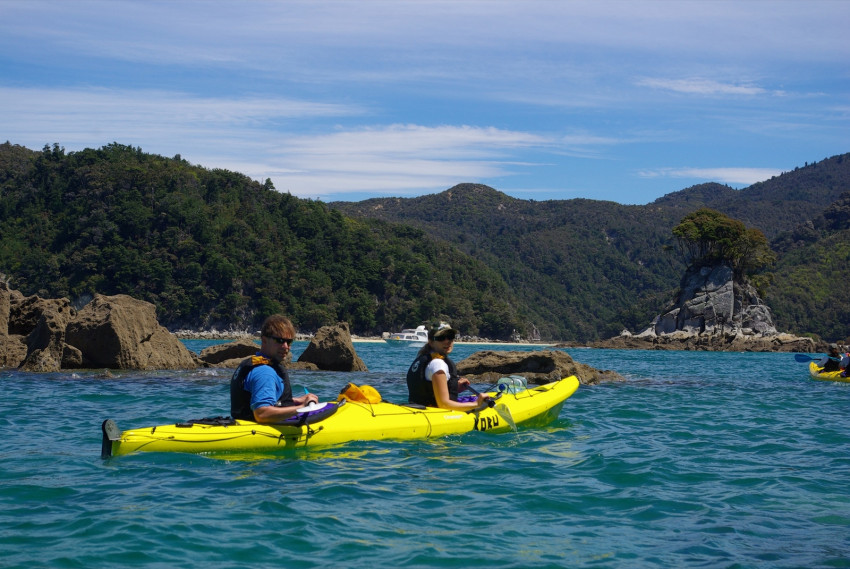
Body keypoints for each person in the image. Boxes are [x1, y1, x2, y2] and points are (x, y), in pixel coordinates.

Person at [230, 315, 318, 423]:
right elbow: (261, 414)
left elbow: (260, 398)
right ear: (264, 340)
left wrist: (296, 401)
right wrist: (303, 407)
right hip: (257, 434)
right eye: (280, 340)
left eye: (289, 342)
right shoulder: (265, 372)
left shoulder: (254, 364)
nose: (286, 346)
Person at [406, 322, 490, 410]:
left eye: (450, 336)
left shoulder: (424, 358)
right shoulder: (438, 364)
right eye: (441, 338)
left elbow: (427, 391)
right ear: (431, 342)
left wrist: (454, 387)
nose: (447, 341)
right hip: (434, 415)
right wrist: (477, 403)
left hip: (419, 410)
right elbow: (444, 405)